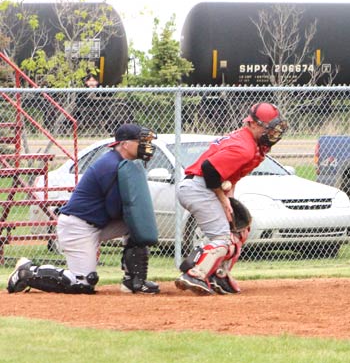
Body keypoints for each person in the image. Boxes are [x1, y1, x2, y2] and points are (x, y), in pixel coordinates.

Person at [7, 123, 161, 294]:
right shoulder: (110, 165)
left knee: (137, 225)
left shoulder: (124, 163)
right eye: (140, 141)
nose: (146, 146)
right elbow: (112, 210)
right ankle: (26, 272)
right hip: (78, 227)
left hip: (97, 224)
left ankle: (134, 281)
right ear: (124, 144)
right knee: (82, 283)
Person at [175, 102, 287, 295]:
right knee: (222, 238)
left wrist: (229, 199)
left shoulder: (253, 144)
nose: (272, 133)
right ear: (252, 124)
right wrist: (223, 199)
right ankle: (196, 273)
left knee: (239, 231)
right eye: (267, 128)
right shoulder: (244, 147)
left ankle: (218, 274)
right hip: (199, 188)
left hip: (204, 187)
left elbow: (229, 174)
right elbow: (210, 169)